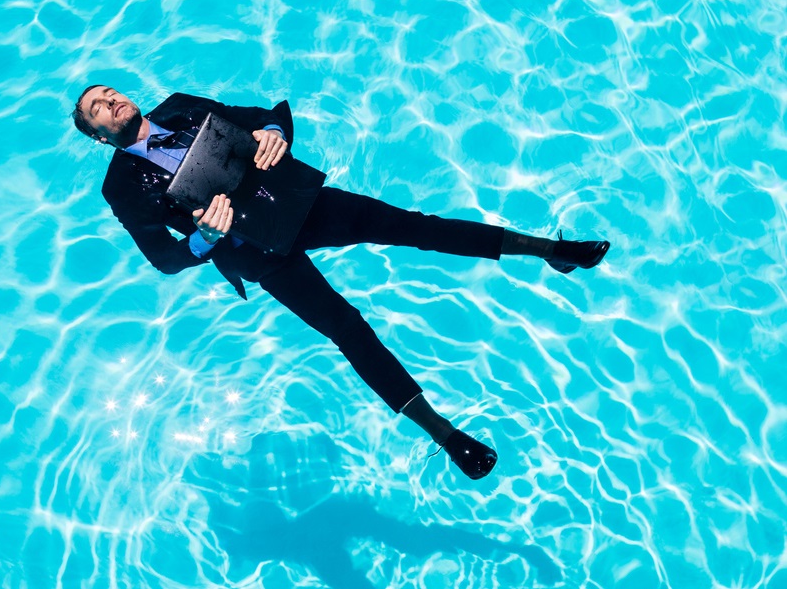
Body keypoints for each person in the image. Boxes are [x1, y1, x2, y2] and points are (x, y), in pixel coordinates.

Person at [71, 85, 610, 480]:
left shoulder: (182, 105)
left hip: (296, 204)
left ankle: (553, 252)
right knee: (347, 328)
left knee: (418, 227)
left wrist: (273, 135)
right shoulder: (121, 187)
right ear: (98, 136)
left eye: (109, 92)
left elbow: (269, 113)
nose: (111, 101)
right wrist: (205, 238)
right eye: (98, 108)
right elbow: (164, 259)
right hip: (255, 252)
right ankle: (446, 436)